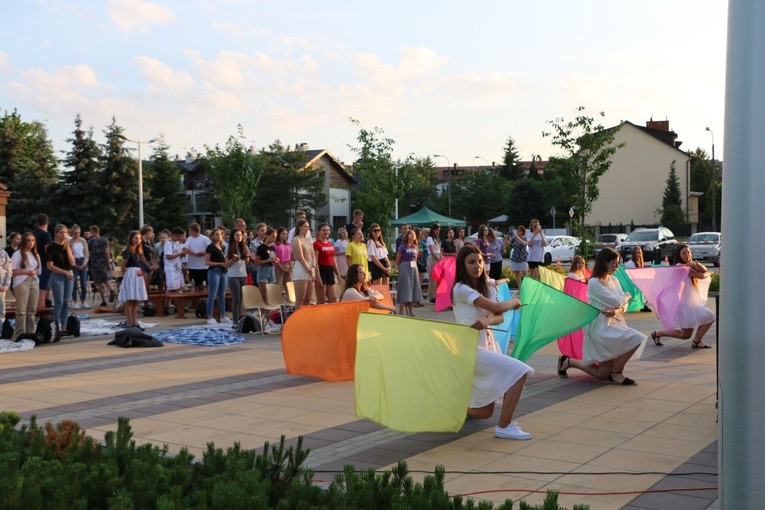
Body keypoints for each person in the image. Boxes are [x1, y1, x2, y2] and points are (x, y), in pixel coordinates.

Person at [451, 245, 534, 440]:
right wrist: (514, 301)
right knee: (520, 372)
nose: (477, 266)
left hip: (488, 345)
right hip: (469, 348)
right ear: (462, 266)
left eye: (479, 261)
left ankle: (453, 406)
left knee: (485, 411)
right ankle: (504, 426)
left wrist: (487, 320)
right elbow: (497, 307)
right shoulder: (460, 289)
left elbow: (499, 316)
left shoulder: (486, 286)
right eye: (471, 262)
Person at [557, 248, 644, 385]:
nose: (617, 266)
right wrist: (627, 296)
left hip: (614, 323)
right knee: (636, 337)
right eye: (614, 263)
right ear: (605, 262)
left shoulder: (614, 280)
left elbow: (622, 306)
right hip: (599, 327)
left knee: (603, 374)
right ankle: (616, 373)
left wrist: (616, 311)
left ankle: (568, 361)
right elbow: (616, 301)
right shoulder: (593, 282)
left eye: (618, 263)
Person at [651, 244, 716, 348]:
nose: (687, 255)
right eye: (684, 253)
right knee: (710, 316)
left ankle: (657, 334)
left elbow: (703, 269)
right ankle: (696, 342)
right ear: (679, 255)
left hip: (690, 303)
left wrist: (695, 263)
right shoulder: (681, 267)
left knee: (685, 334)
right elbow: (702, 275)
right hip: (684, 305)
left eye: (689, 252)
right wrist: (711, 272)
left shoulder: (688, 265)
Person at [11, 233, 41, 340]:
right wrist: (27, 271)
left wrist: (34, 272)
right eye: (28, 240)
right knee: (22, 310)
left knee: (32, 310)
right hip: (21, 282)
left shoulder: (36, 254)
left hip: (34, 281)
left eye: (33, 240)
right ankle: (20, 334)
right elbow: (13, 270)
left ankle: (30, 333)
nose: (31, 243)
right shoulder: (17, 254)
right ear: (24, 241)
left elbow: (39, 270)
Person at [46, 224, 75, 334]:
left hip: (69, 274)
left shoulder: (68, 246)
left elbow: (72, 262)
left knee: (67, 302)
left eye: (66, 232)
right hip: (58, 275)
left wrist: (67, 247)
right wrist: (65, 272)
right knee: (59, 302)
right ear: (56, 234)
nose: (64, 234)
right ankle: (56, 327)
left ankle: (64, 327)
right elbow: (50, 266)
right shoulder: (51, 247)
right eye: (61, 232)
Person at [118, 231, 150, 329]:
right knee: (129, 300)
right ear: (131, 239)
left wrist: (148, 266)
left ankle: (135, 323)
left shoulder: (138, 251)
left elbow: (143, 259)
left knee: (135, 301)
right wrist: (126, 277)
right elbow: (123, 266)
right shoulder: (128, 251)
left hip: (137, 275)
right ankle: (130, 323)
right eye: (136, 238)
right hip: (131, 275)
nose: (138, 240)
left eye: (139, 238)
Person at [205, 227, 234, 325]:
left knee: (222, 295)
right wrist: (219, 264)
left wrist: (232, 260)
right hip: (214, 271)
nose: (219, 236)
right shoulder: (210, 247)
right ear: (212, 236)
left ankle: (222, 316)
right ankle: (209, 317)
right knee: (212, 295)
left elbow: (225, 262)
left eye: (220, 234)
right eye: (216, 234)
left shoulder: (223, 247)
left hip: (224, 272)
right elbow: (207, 262)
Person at [395, 229, 423, 316]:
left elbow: (416, 258)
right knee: (404, 288)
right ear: (407, 236)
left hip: (414, 268)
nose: (412, 236)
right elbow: (397, 260)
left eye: (414, 234)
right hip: (404, 267)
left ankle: (410, 312)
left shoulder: (416, 247)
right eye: (410, 234)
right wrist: (401, 268)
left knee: (413, 288)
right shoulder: (402, 247)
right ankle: (401, 312)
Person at [291, 219, 317, 309]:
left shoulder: (309, 240)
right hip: (301, 267)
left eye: (308, 227)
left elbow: (313, 256)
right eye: (305, 227)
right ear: (299, 227)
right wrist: (309, 270)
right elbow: (300, 257)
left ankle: (305, 320)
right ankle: (296, 321)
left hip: (310, 267)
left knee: (307, 299)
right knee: (300, 299)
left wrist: (313, 268)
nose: (307, 229)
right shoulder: (296, 239)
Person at [87, 225, 115, 306]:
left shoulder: (90, 241)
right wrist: (108, 262)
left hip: (94, 264)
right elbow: (107, 252)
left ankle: (103, 301)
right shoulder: (105, 240)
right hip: (103, 263)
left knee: (98, 282)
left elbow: (88, 252)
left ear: (93, 231)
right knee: (106, 279)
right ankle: (111, 289)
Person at [226, 228, 249, 323]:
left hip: (243, 275)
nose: (239, 237)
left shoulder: (244, 247)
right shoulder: (229, 247)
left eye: (240, 235)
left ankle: (241, 318)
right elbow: (227, 264)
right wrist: (233, 259)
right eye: (236, 235)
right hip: (233, 276)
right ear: (233, 236)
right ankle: (235, 321)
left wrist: (248, 258)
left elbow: (246, 262)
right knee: (236, 299)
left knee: (242, 299)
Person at [314, 223, 341, 303]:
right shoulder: (316, 244)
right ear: (319, 232)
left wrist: (338, 273)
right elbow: (315, 261)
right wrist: (318, 277)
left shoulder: (330, 243)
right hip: (321, 271)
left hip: (330, 271)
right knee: (321, 299)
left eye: (328, 230)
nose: (326, 232)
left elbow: (333, 259)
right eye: (324, 230)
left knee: (333, 299)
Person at [33, 213, 53, 309]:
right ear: (47, 222)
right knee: (43, 288)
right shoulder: (46, 235)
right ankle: (42, 309)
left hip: (34, 264)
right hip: (44, 264)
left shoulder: (33, 233)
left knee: (36, 288)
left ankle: (38, 307)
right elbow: (48, 251)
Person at [183, 223, 211, 290]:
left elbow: (211, 249)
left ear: (193, 230)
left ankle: (206, 299)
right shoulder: (189, 239)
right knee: (196, 285)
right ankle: (197, 300)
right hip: (192, 266)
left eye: (189, 230)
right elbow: (185, 248)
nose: (189, 232)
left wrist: (203, 253)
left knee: (206, 285)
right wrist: (193, 253)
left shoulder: (205, 239)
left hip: (204, 266)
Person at [255, 227, 278, 304]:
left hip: (271, 269)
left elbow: (272, 258)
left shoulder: (272, 247)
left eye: (275, 237)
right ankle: (263, 312)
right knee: (263, 295)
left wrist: (275, 260)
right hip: (263, 270)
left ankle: (270, 313)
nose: (274, 239)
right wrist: (268, 260)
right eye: (272, 236)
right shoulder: (261, 247)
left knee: (271, 294)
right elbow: (256, 261)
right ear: (267, 236)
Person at [70, 224, 90, 309]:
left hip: (82, 261)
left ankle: (83, 301)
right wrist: (74, 264)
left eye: (78, 233)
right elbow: (69, 254)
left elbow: (86, 254)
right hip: (74, 262)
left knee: (83, 284)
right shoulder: (70, 241)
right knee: (74, 284)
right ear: (72, 233)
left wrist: (84, 264)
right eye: (75, 233)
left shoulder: (83, 241)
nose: (77, 235)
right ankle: (75, 301)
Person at [163, 227, 186, 297]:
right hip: (171, 269)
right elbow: (168, 256)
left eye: (181, 236)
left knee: (177, 288)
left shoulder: (178, 244)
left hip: (177, 268)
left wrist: (184, 253)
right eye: (179, 236)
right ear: (174, 235)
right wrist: (180, 253)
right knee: (171, 289)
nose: (180, 238)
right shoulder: (169, 243)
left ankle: (172, 305)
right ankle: (166, 305)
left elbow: (179, 256)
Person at [425, 224, 443, 302]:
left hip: (438, 257)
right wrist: (438, 259)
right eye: (437, 230)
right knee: (432, 278)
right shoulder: (429, 238)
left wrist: (441, 258)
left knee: (438, 278)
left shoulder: (436, 239)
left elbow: (439, 250)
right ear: (433, 230)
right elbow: (432, 251)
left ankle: (437, 294)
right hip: (433, 258)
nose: (438, 232)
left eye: (439, 230)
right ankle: (431, 296)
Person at [509, 226, 528, 290]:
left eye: (520, 230)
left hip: (522, 257)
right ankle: (520, 288)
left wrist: (517, 237)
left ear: (523, 232)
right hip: (515, 257)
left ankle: (526, 287)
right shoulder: (514, 238)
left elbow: (524, 244)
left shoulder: (524, 238)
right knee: (517, 273)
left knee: (524, 273)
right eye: (517, 230)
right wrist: (506, 237)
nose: (518, 231)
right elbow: (508, 243)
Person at [273, 227, 292, 293]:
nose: (285, 236)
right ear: (279, 234)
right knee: (279, 285)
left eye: (286, 234)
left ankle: (289, 300)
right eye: (283, 234)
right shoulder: (275, 245)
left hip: (287, 265)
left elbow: (290, 257)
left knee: (289, 285)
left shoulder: (288, 245)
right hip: (279, 266)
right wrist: (282, 268)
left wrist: (290, 267)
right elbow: (275, 258)